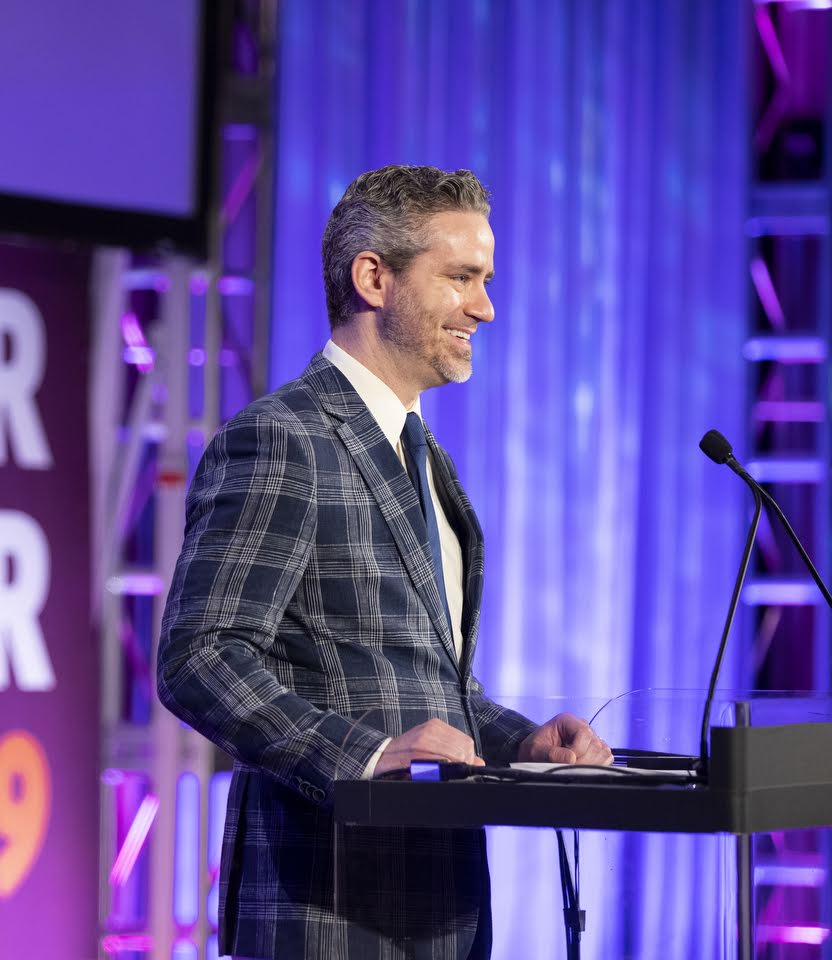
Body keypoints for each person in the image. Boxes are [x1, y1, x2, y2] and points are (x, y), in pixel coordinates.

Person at [156, 164, 613, 960]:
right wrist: (362, 759)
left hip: (444, 905)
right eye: (462, 278)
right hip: (328, 906)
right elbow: (199, 656)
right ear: (375, 277)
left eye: (487, 279)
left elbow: (422, 685)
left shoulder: (427, 457)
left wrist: (519, 742)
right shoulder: (283, 438)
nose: (486, 307)